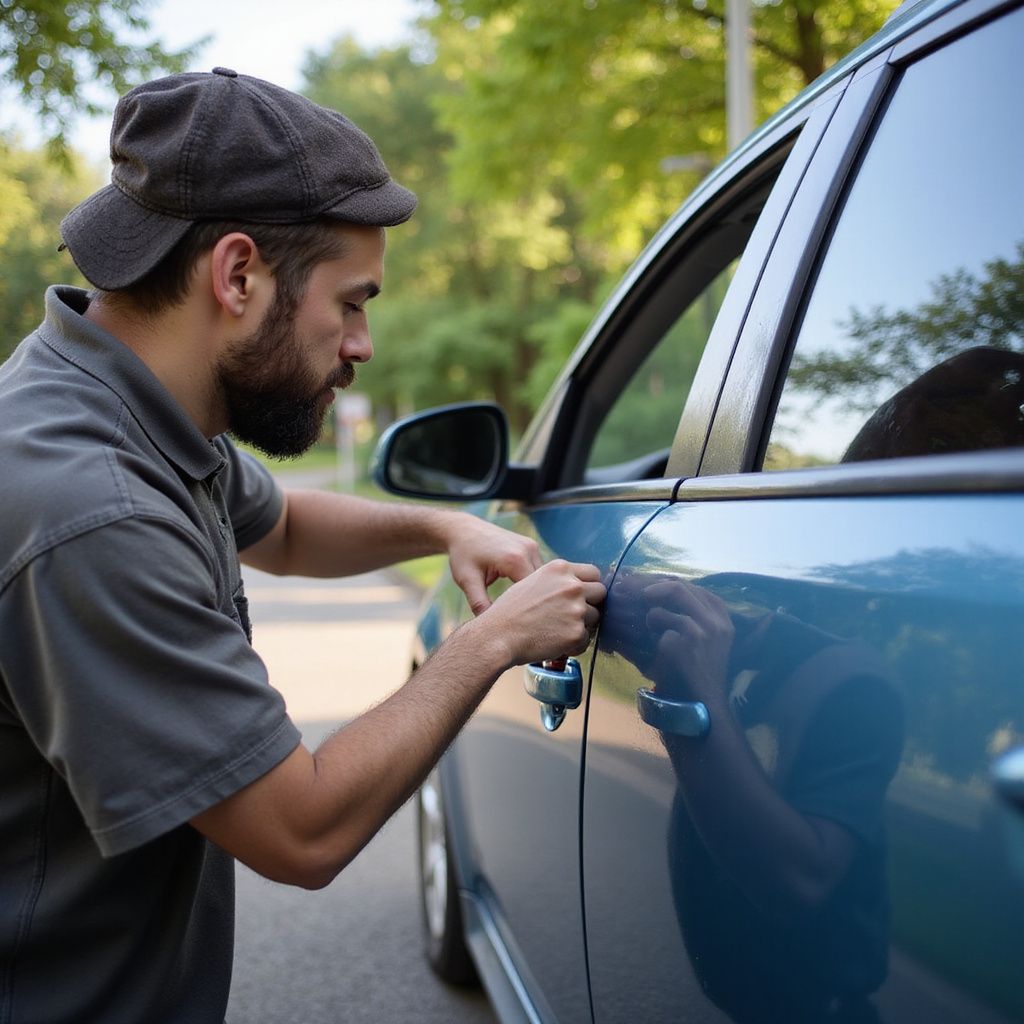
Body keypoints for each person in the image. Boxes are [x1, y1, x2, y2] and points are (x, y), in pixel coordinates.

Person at [0, 69, 605, 1023]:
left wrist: (442, 523)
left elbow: (279, 526)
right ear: (237, 275)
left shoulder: (125, 397)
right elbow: (301, 829)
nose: (362, 344)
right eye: (352, 302)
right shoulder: (92, 506)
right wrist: (490, 642)